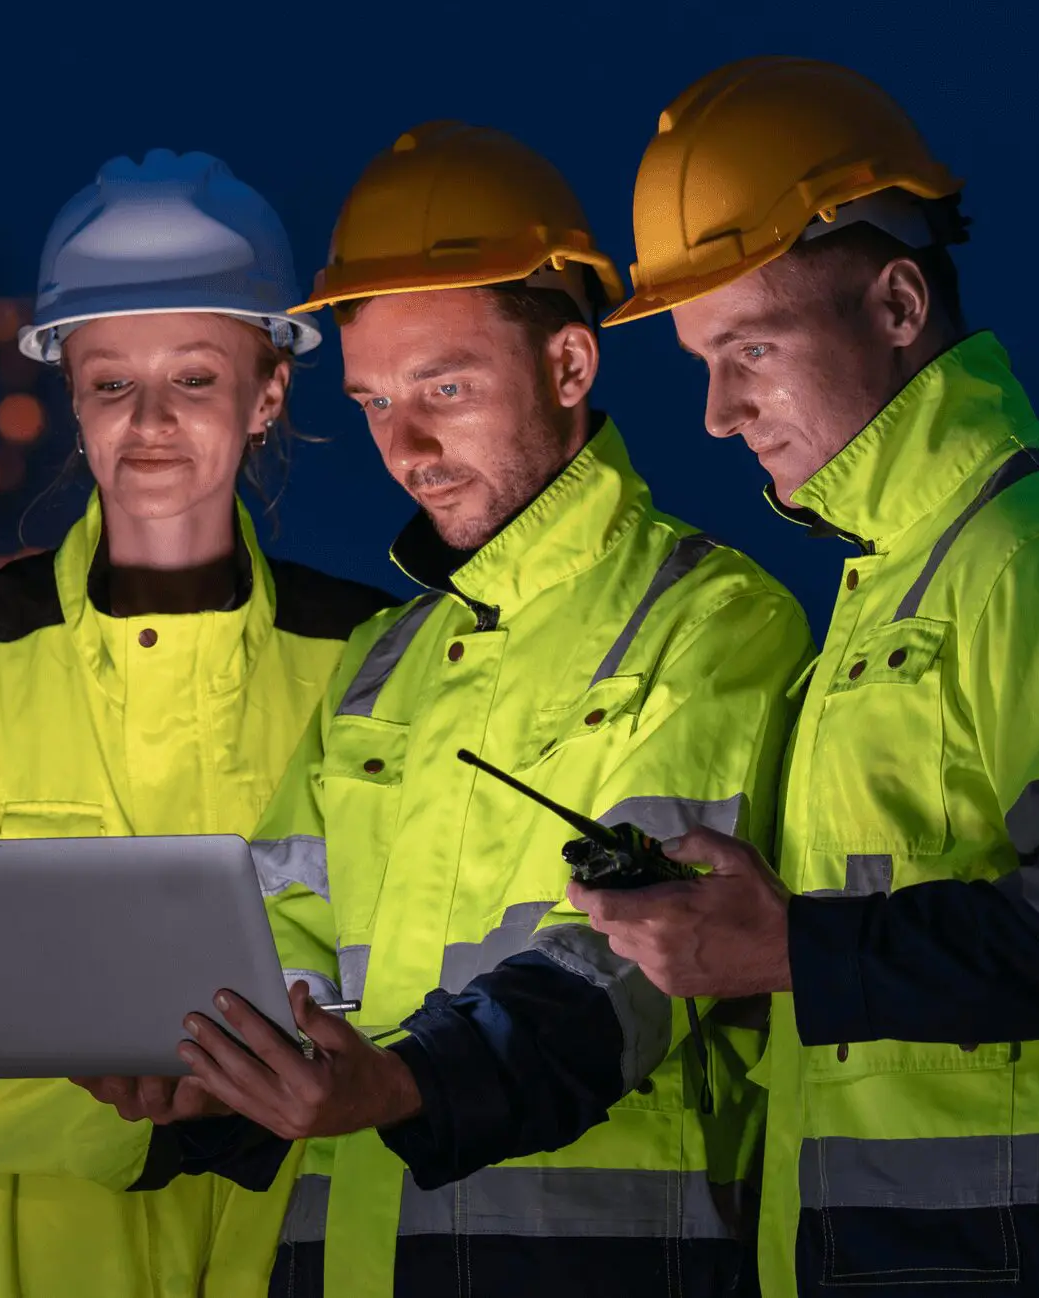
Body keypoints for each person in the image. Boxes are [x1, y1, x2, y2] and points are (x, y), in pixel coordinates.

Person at [82, 122, 815, 1297]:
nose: (405, 445)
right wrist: (209, 1062)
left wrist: (407, 1080)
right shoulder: (385, 662)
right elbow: (283, 931)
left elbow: (651, 954)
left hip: (606, 1262)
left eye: (445, 388)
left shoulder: (713, 620)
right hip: (353, 1259)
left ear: (570, 367)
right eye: (374, 401)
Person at [578, 57, 1039, 1298]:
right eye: (698, 364)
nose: (719, 412)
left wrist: (790, 947)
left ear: (896, 305)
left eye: (752, 347)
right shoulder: (884, 583)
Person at [0, 149, 398, 1296]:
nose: (149, 420)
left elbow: (413, 954)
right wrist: (149, 1126)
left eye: (196, 378)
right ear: (70, 394)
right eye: (112, 381)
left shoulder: (373, 663)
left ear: (270, 391)